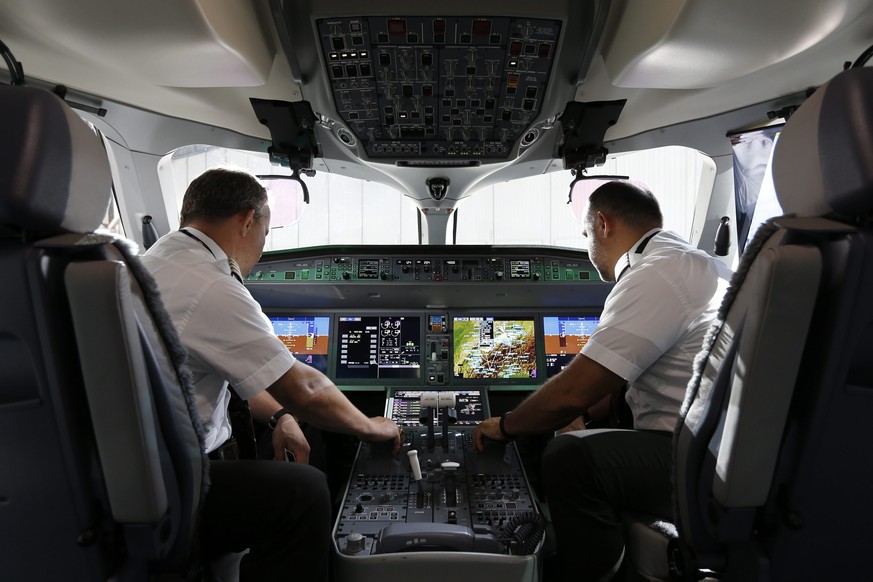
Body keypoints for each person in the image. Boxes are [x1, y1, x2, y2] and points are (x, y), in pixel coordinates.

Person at [141, 167, 401, 581]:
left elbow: (237, 379)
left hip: (143, 461)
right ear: (247, 220)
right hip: (174, 484)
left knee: (306, 431)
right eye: (265, 232)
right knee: (304, 493)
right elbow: (307, 388)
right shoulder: (212, 285)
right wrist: (370, 427)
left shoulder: (152, 260)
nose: (262, 247)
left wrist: (283, 417)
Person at [473, 180, 731, 582]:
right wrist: (569, 414)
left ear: (604, 224)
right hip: (712, 444)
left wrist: (507, 425)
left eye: (586, 233)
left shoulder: (655, 273)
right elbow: (633, 388)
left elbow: (576, 389)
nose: (588, 244)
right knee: (559, 427)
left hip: (694, 457)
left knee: (569, 459)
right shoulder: (687, 262)